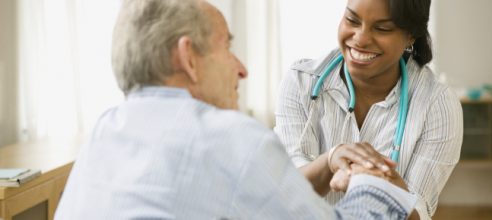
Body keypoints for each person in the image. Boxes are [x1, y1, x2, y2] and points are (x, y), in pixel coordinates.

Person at [55, 0, 418, 219]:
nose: (241, 68)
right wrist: (371, 181)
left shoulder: (105, 131)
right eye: (225, 47)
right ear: (188, 58)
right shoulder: (229, 138)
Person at [274, 0, 463, 219]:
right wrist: (330, 162)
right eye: (352, 20)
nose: (361, 38)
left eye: (382, 28)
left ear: (411, 35)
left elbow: (417, 211)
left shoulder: (437, 104)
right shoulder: (300, 82)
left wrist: (376, 185)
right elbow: (283, 193)